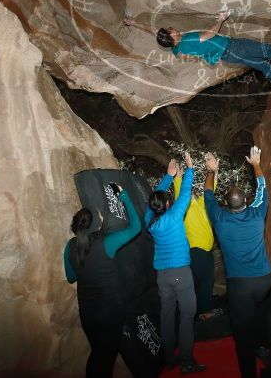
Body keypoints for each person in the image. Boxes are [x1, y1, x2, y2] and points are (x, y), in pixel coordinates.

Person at [203, 147, 271, 378]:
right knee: (259, 308)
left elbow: (207, 194)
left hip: (240, 286)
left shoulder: (220, 219)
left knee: (242, 334)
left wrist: (212, 171)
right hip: (264, 281)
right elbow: (263, 188)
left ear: (227, 204)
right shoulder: (257, 213)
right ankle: (264, 347)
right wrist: (255, 164)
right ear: (246, 200)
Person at [64, 183, 141, 378]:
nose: (101, 216)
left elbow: (71, 276)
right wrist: (123, 194)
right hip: (110, 312)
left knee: (99, 355)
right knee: (104, 360)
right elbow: (136, 227)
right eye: (99, 215)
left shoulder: (70, 246)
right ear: (96, 225)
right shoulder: (107, 243)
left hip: (87, 313)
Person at [123, 11, 271, 90]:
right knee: (267, 50)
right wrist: (222, 18)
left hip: (227, 55)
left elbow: (155, 32)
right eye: (171, 30)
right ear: (172, 37)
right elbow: (210, 33)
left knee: (263, 65)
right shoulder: (187, 40)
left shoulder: (175, 49)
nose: (173, 28)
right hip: (231, 47)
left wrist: (135, 23)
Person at [145, 154, 206, 374]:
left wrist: (169, 177)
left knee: (167, 316)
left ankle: (169, 357)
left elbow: (154, 200)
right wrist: (189, 169)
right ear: (168, 204)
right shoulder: (174, 216)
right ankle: (187, 360)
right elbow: (186, 193)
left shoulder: (150, 221)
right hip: (181, 273)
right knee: (188, 316)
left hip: (162, 276)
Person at [173, 167, 221, 320]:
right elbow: (180, 191)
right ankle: (205, 311)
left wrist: (215, 170)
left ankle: (192, 312)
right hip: (196, 250)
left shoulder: (202, 203)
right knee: (207, 280)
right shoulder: (183, 206)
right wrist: (178, 177)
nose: (192, 190)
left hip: (202, 251)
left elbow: (211, 188)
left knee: (198, 282)